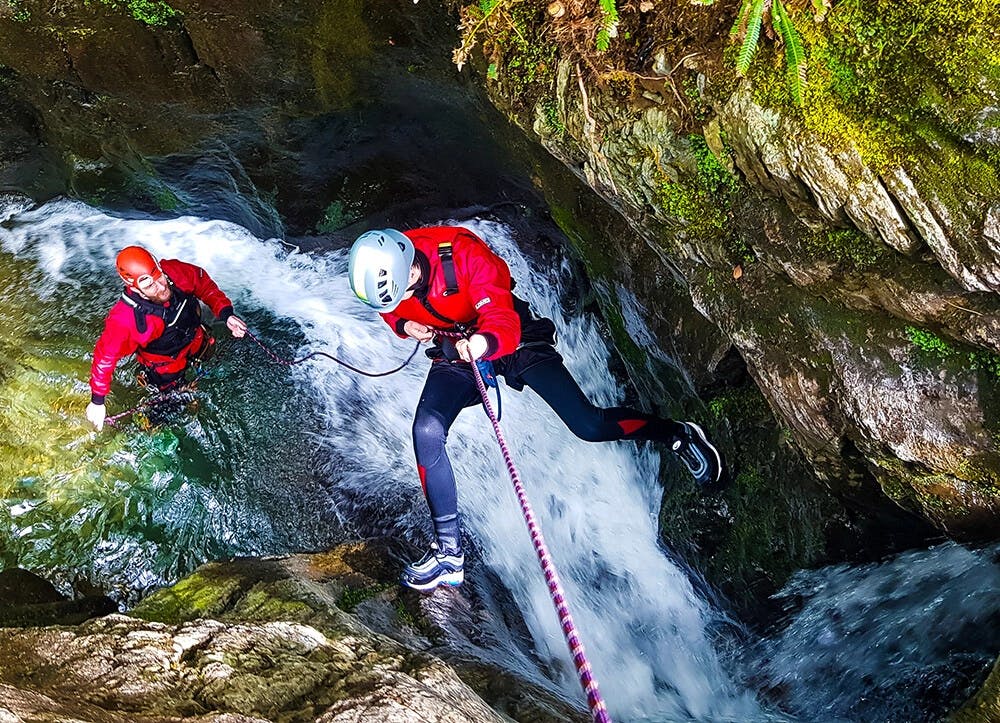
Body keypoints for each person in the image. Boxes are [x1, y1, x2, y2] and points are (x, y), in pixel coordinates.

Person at [348, 226, 723, 592]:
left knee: (587, 425)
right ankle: (449, 554)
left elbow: (502, 319)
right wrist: (404, 322)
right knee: (426, 431)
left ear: (409, 268)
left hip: (512, 341)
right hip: (456, 349)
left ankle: (677, 434)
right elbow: (389, 308)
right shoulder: (392, 274)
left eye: (404, 293)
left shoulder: (462, 253)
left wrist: (482, 344)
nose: (400, 300)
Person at [85, 245, 248, 431]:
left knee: (214, 356)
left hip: (197, 341)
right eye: (149, 285)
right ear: (135, 288)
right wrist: (97, 401)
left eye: (159, 276)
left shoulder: (175, 272)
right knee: (176, 406)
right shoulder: (126, 320)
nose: (161, 287)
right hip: (166, 367)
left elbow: (204, 285)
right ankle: (147, 426)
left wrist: (226, 313)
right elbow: (105, 357)